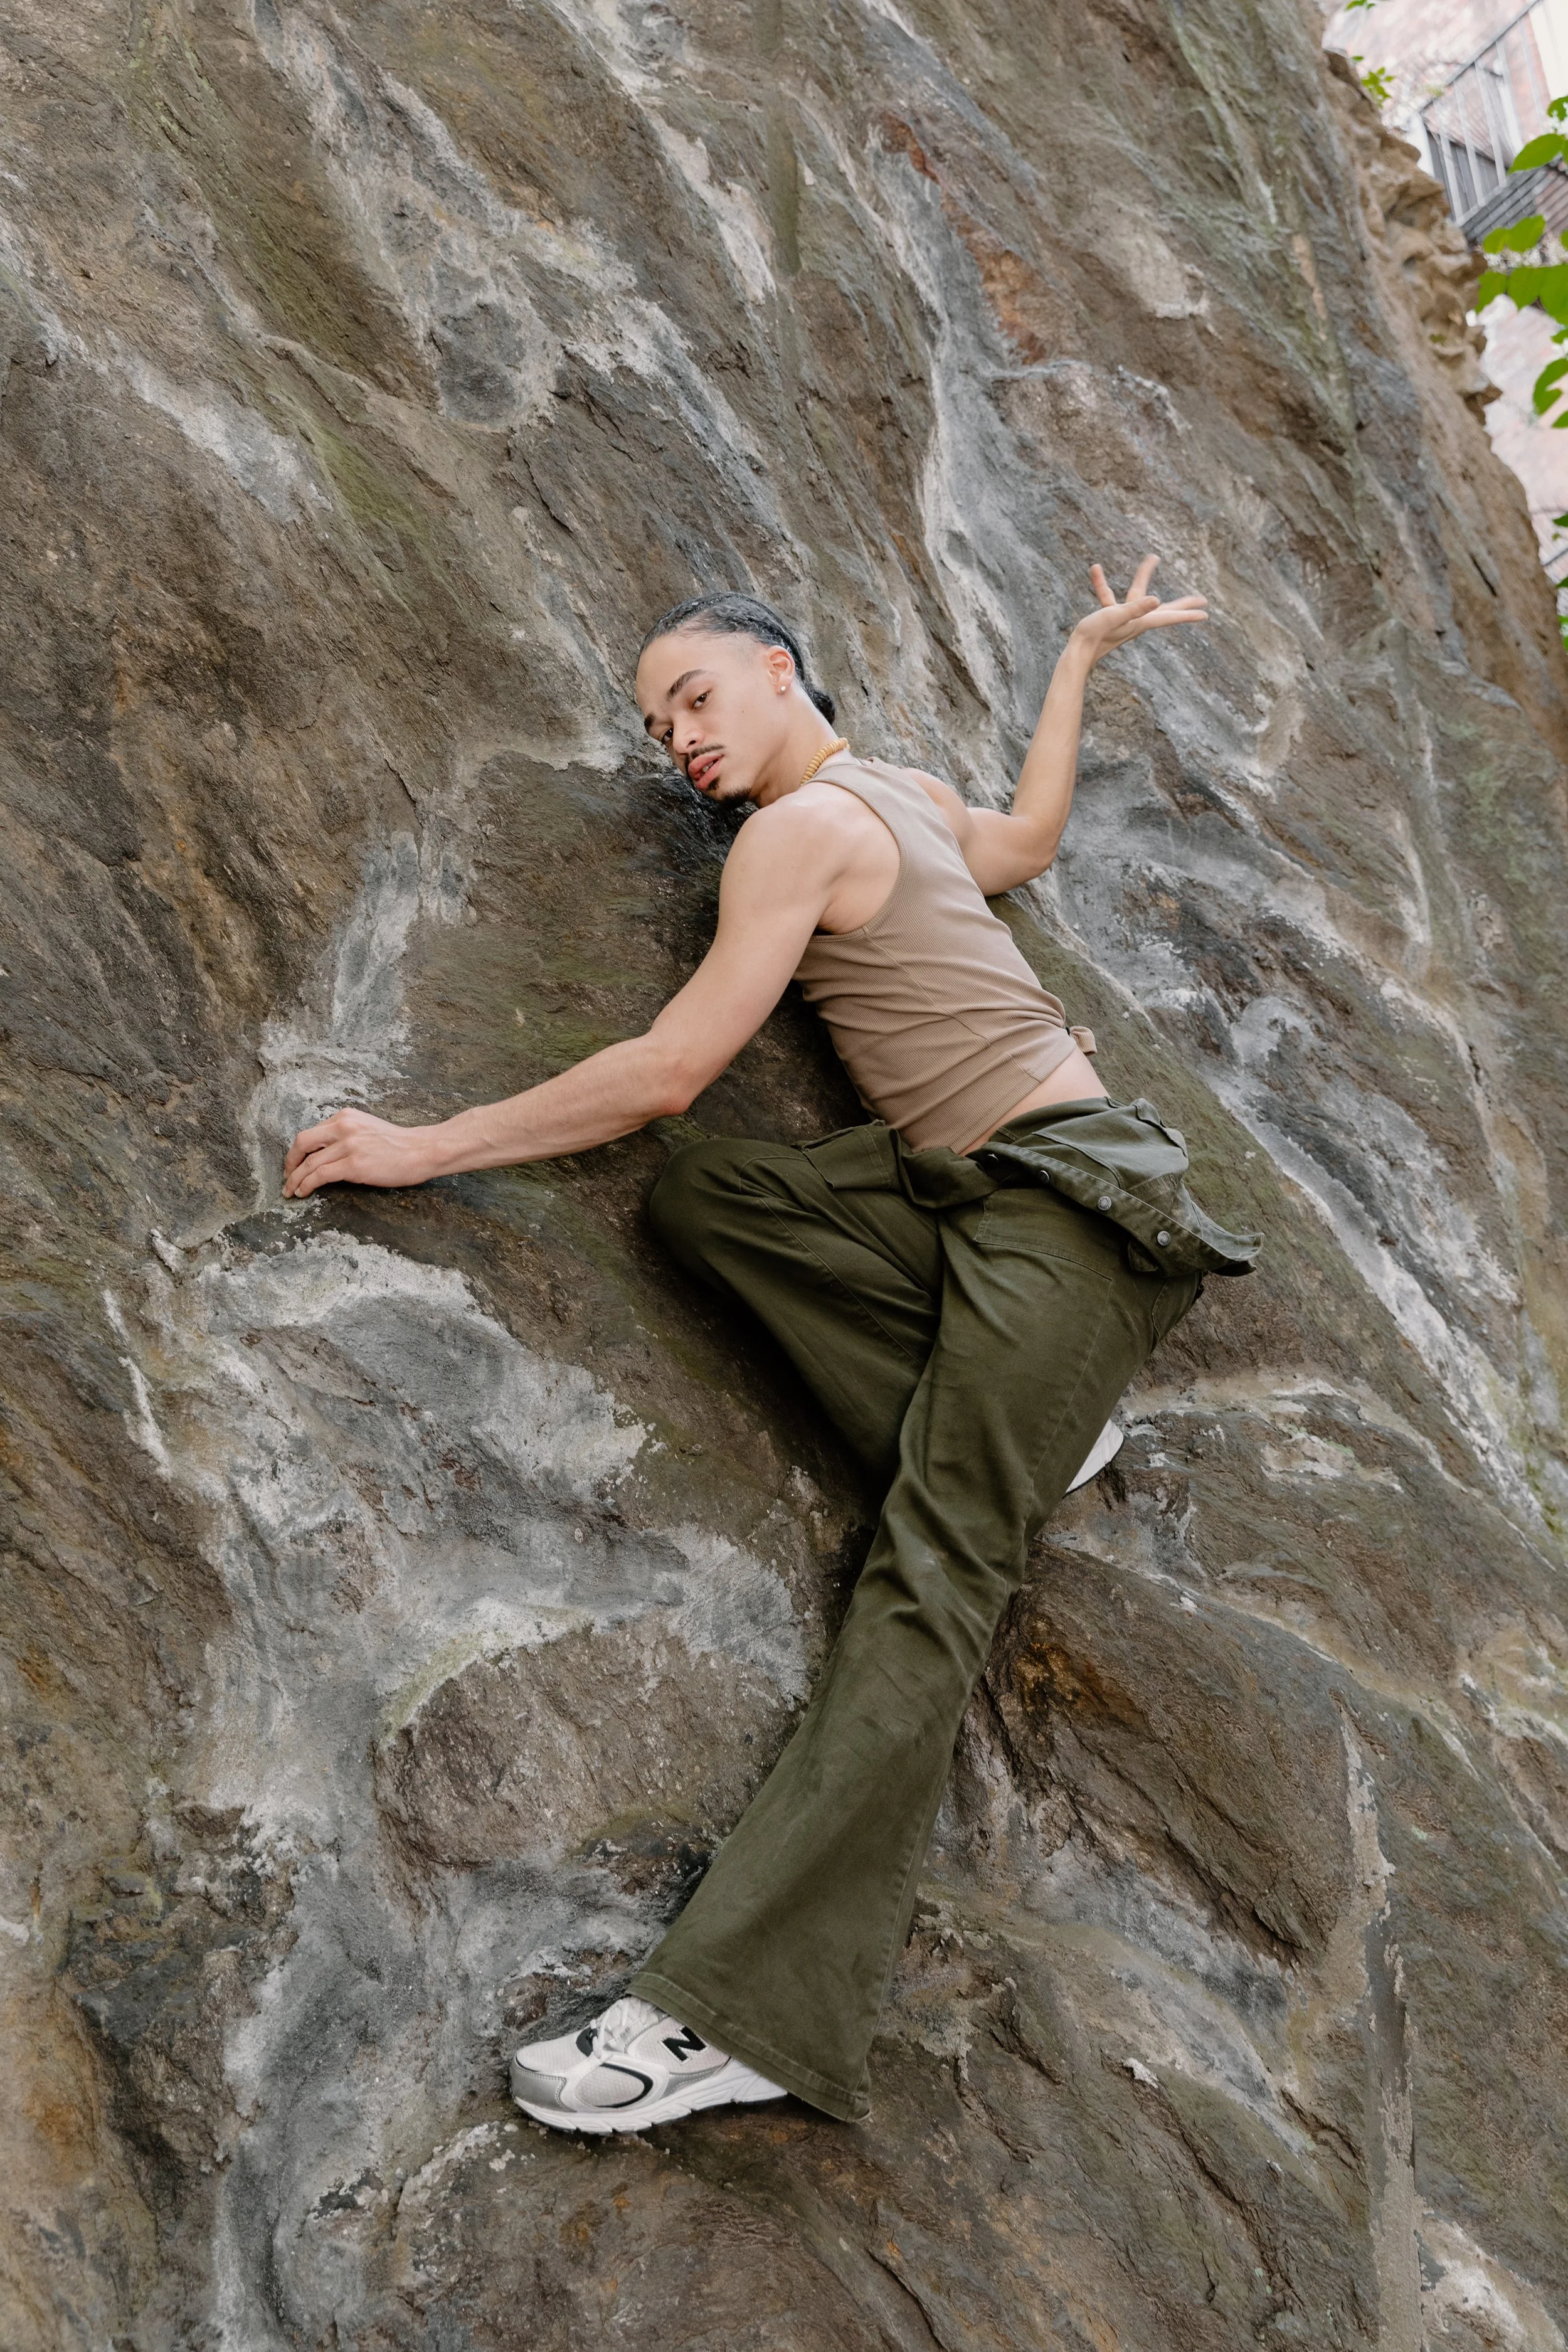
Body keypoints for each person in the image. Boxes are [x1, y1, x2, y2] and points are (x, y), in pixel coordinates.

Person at [283, 558, 1258, 2135]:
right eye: (654, 717)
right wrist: (1078, 654)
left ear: (782, 670)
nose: (676, 733)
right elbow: (1030, 842)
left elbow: (669, 1064)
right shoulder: (900, 796)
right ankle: (1040, 1429)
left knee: (927, 1581)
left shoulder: (800, 832)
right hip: (996, 1201)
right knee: (718, 1197)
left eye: (695, 694)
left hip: (1063, 1227)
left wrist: (421, 1146)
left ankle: (723, 2017)